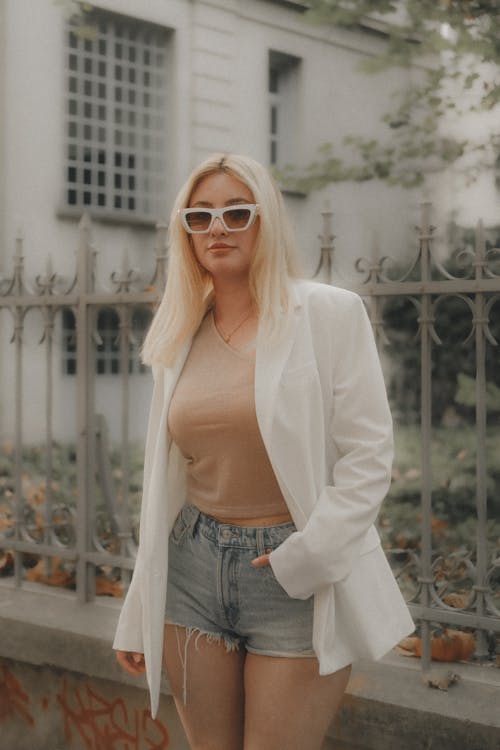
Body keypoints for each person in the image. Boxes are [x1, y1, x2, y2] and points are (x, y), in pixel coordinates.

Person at [114, 153, 414, 750]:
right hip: (192, 572)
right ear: (185, 232)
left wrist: (307, 558)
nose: (216, 227)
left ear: (266, 219)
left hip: (291, 574)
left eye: (235, 211)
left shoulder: (327, 313)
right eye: (199, 216)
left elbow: (368, 453)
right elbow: (165, 484)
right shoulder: (179, 330)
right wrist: (139, 605)